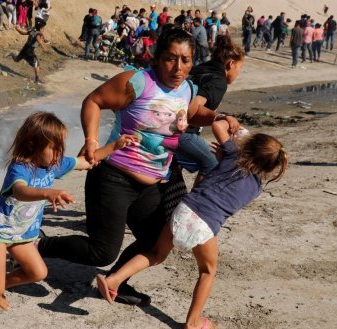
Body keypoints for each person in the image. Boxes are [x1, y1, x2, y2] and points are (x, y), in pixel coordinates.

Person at [35, 28, 242, 307]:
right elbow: (94, 101)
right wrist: (92, 141)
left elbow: (192, 113)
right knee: (101, 252)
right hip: (113, 177)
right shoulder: (137, 82)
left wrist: (218, 115)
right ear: (157, 58)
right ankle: (38, 245)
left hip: (152, 182)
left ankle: (117, 282)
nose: (178, 67)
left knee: (157, 242)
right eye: (170, 58)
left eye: (185, 60)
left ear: (193, 62)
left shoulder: (187, 88)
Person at [0, 111, 137, 329]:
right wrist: (48, 193)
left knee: (38, 272)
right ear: (33, 145)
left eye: (61, 148)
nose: (59, 155)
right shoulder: (20, 168)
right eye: (54, 148)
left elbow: (88, 161)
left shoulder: (53, 165)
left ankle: (1, 286)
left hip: (23, 235)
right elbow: (20, 191)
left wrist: (115, 146)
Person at [96, 120, 288, 329]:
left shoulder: (232, 154)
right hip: (205, 224)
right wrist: (234, 151)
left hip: (183, 210)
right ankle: (192, 323)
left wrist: (235, 127)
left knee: (156, 254)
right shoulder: (255, 188)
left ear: (248, 145)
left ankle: (113, 280)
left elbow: (218, 126)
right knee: (207, 271)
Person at [176, 35, 246, 186]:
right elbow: (193, 107)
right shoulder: (218, 81)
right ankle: (194, 204)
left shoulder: (201, 68)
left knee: (175, 169)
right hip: (183, 132)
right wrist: (220, 117)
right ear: (231, 64)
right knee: (212, 164)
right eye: (240, 68)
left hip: (167, 125)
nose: (238, 73)